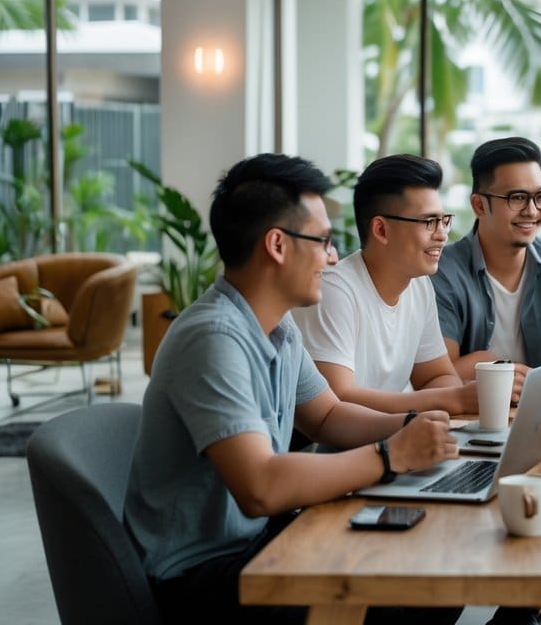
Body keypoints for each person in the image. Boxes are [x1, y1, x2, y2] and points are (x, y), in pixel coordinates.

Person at [123, 154, 461, 625]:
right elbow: (259, 488)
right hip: (201, 573)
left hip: (257, 540)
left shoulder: (278, 329)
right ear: (277, 245)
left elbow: (326, 416)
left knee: (430, 567)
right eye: (322, 241)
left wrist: (413, 427)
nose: (330, 256)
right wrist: (390, 454)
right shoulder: (213, 338)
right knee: (405, 594)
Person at [293, 154, 478, 418]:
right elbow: (337, 399)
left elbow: (436, 376)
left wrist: (451, 401)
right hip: (333, 453)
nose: (442, 234)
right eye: (428, 222)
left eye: (443, 220)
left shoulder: (419, 285)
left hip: (395, 441)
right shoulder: (334, 289)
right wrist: (452, 399)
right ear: (381, 230)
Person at [431, 136, 541, 404]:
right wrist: (499, 367)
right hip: (467, 420)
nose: (531, 211)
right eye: (516, 197)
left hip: (538, 415)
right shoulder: (443, 273)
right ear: (479, 205)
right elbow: (437, 375)